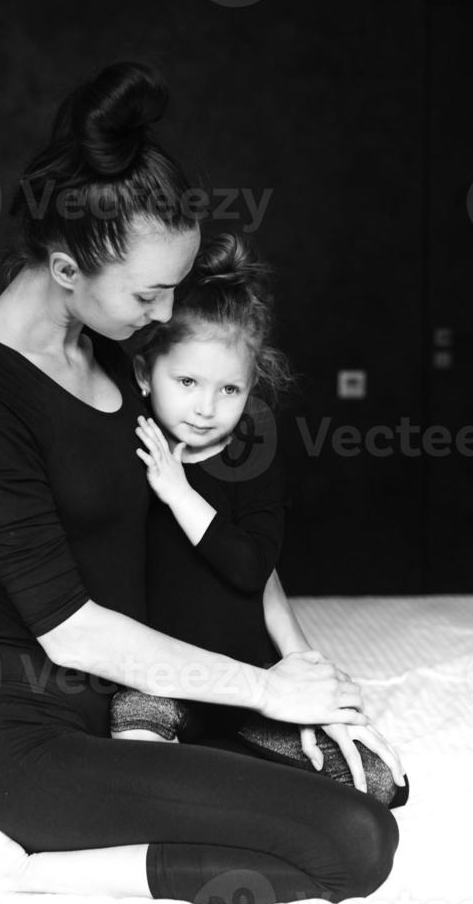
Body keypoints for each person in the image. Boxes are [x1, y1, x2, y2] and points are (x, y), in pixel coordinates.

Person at [0, 62, 400, 904]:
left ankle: (11, 857)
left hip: (152, 707)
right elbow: (71, 632)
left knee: (368, 795)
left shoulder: (119, 344)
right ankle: (8, 864)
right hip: (32, 739)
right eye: (151, 292)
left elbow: (229, 537)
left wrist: (311, 679)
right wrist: (265, 691)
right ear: (68, 268)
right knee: (355, 847)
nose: (165, 314)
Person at [108, 233, 408, 808]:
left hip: (254, 688)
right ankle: (212, 782)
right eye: (187, 382)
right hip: (167, 682)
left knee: (382, 786)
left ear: (251, 389)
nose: (205, 407)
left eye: (229, 389)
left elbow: (251, 570)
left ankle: (223, 768)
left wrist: (178, 492)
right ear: (146, 375)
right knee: (137, 751)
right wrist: (160, 481)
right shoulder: (124, 451)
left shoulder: (252, 460)